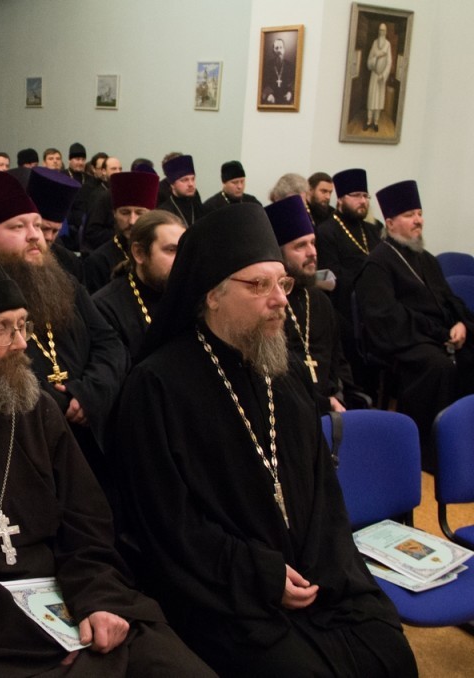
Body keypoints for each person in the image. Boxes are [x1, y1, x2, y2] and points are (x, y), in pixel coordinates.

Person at [0, 249, 214, 677]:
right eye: (1, 329)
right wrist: (32, 629)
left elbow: (87, 525)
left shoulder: (39, 411)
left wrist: (96, 600)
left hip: (74, 597)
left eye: (22, 324)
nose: (20, 343)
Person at [113, 203, 416, 677]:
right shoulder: (156, 387)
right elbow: (167, 523)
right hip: (222, 592)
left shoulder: (286, 373)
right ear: (212, 294)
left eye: (283, 284)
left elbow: (324, 495)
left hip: (318, 575)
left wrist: (323, 568)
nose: (280, 300)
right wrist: (262, 575)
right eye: (259, 285)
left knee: (390, 651)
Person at [0, 172, 127, 485]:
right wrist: (60, 405)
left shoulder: (63, 281)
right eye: (18, 227)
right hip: (23, 453)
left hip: (89, 435)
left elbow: (110, 343)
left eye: (37, 225)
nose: (35, 236)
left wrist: (88, 393)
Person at [354, 181, 474, 467]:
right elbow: (387, 316)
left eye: (419, 213)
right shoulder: (378, 262)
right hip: (403, 339)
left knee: (470, 355)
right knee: (438, 366)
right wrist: (439, 334)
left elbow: (449, 299)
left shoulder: (426, 259)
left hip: (438, 335)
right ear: (390, 223)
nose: (418, 220)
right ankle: (427, 451)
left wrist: (460, 324)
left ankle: (464, 444)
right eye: (409, 215)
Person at [266, 195, 365, 413]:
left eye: (312, 242)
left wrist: (340, 396)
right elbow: (274, 378)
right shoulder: (270, 304)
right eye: (300, 246)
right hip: (291, 409)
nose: (312, 252)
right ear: (279, 253)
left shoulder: (320, 300)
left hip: (331, 405)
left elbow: (338, 361)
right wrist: (323, 403)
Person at [315, 168, 383, 380]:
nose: (362, 201)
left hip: (377, 301)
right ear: (341, 199)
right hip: (344, 305)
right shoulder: (327, 231)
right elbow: (332, 274)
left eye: (365, 196)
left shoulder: (372, 230)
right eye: (356, 196)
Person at [92, 210, 184, 363]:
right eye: (171, 250)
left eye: (183, 250)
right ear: (139, 253)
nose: (180, 259)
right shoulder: (105, 308)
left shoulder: (188, 297)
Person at [84, 170, 159, 293]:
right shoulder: (98, 261)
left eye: (140, 213)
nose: (132, 221)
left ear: (152, 215)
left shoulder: (161, 254)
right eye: (125, 213)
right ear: (114, 214)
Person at [24, 167, 84, 283]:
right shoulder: (12, 257)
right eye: (43, 228)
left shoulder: (70, 262)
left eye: (55, 231)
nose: (49, 237)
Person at [157, 154, 206, 226]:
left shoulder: (197, 204)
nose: (191, 184)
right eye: (184, 180)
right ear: (172, 184)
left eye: (193, 179)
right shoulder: (163, 212)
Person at [366, 23, 393, 132]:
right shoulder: (374, 43)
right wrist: (376, 56)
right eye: (380, 30)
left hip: (381, 78)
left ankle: (376, 122)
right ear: (378, 31)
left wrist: (383, 75)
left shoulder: (388, 44)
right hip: (374, 76)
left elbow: (389, 62)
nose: (382, 32)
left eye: (383, 30)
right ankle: (369, 121)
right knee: (371, 99)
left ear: (386, 32)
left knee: (378, 101)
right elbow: (369, 61)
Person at [261, 36, 295, 105]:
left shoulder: (290, 66)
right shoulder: (267, 65)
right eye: (276, 48)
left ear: (284, 50)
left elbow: (294, 82)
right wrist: (268, 94)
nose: (279, 50)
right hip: (271, 99)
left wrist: (290, 93)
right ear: (273, 50)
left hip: (286, 98)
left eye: (281, 47)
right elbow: (263, 83)